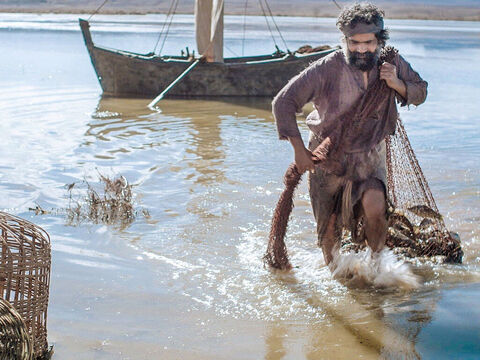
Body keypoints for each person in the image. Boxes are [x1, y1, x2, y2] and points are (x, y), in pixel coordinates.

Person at [272, 3, 428, 266]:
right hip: (328, 157)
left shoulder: (392, 63)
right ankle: (335, 274)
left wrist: (397, 84)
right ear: (344, 40)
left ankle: (378, 267)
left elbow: (421, 91)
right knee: (329, 226)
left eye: (368, 42)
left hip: (370, 154)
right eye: (354, 42)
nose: (361, 49)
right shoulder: (327, 68)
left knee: (376, 208)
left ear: (380, 39)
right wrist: (299, 151)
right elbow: (283, 102)